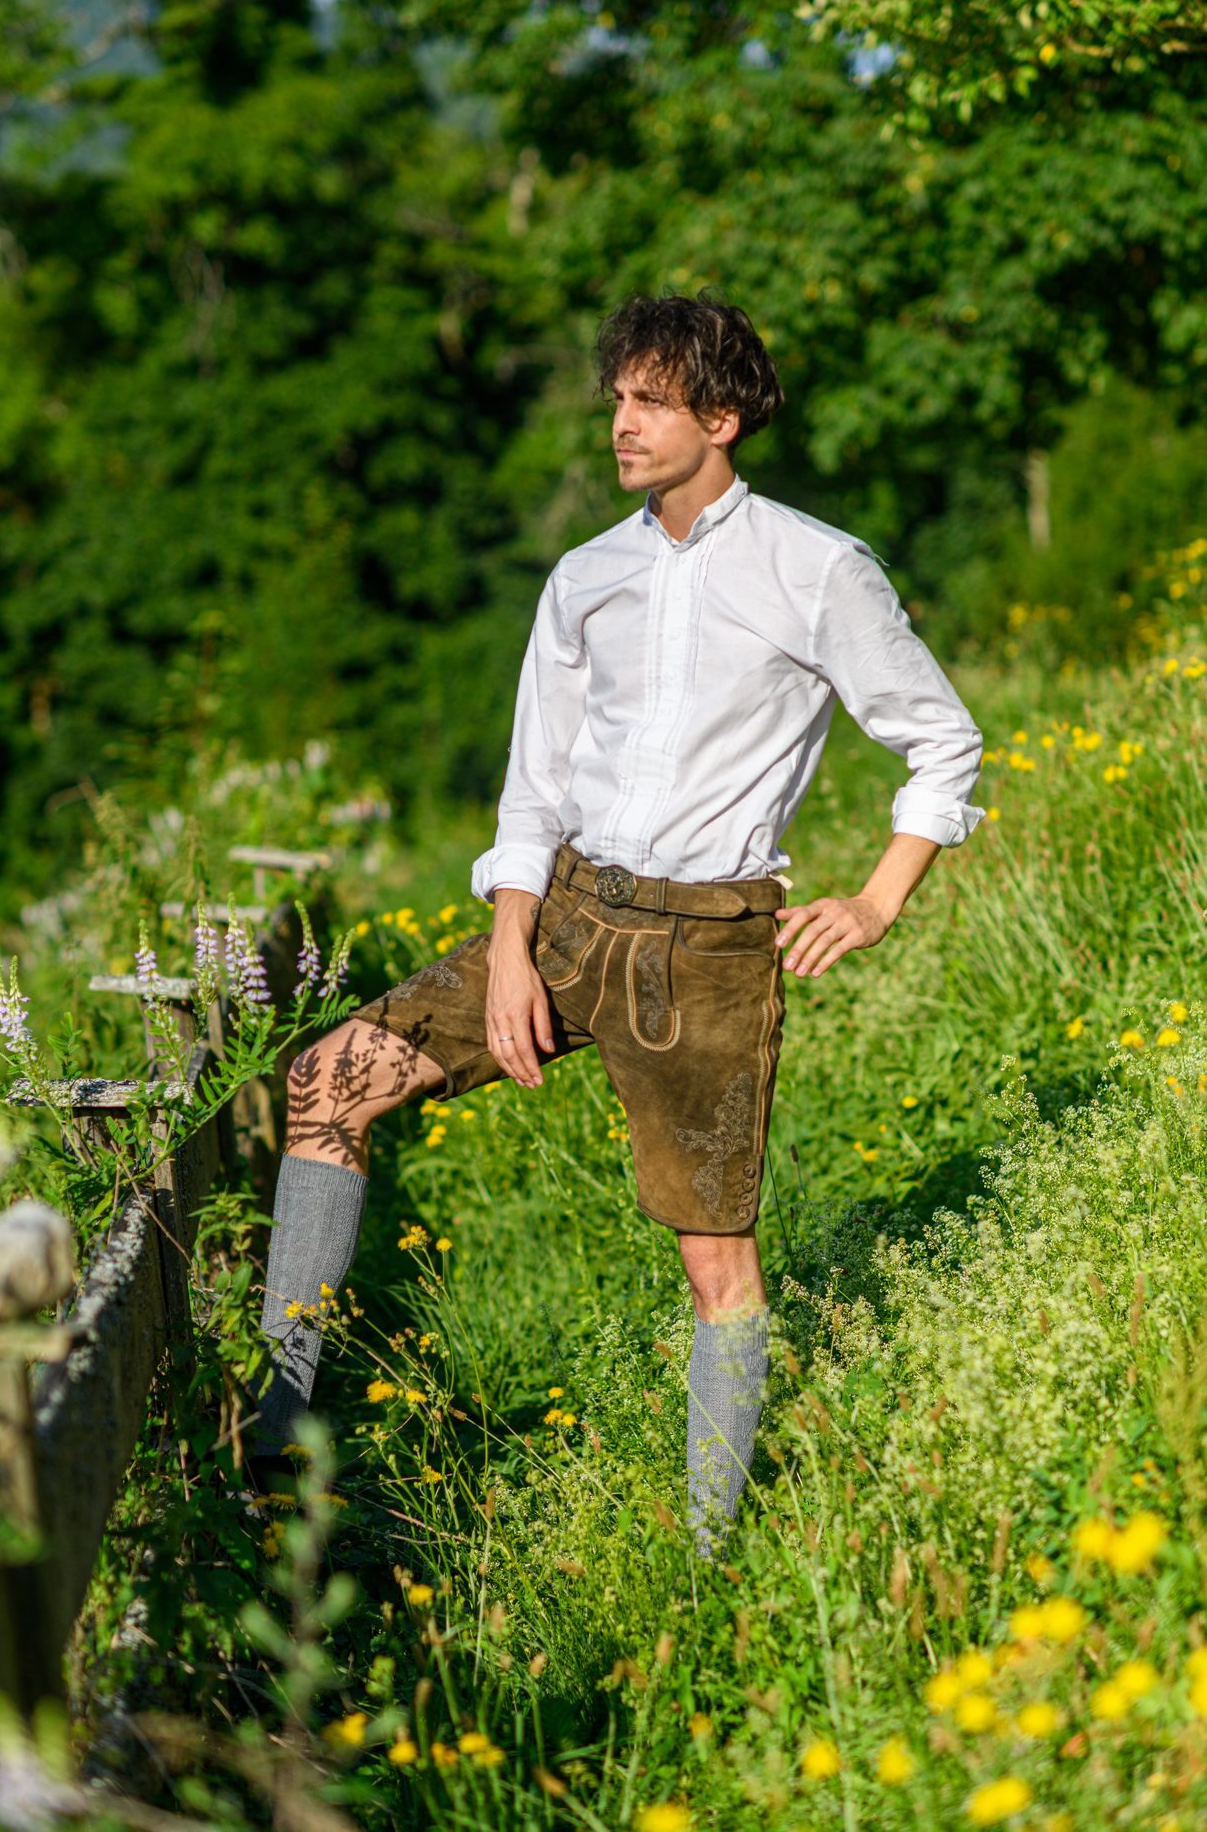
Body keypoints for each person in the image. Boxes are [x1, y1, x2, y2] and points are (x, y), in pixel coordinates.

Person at [246, 290, 985, 1556]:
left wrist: (875, 900)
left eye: (651, 401)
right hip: (569, 916)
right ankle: (273, 1458)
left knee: (717, 1267)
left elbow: (943, 742)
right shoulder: (586, 576)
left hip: (707, 951)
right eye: (618, 400)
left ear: (722, 417)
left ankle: (707, 1562)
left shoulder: (817, 569)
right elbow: (533, 786)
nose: (622, 425)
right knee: (326, 1083)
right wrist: (510, 954)